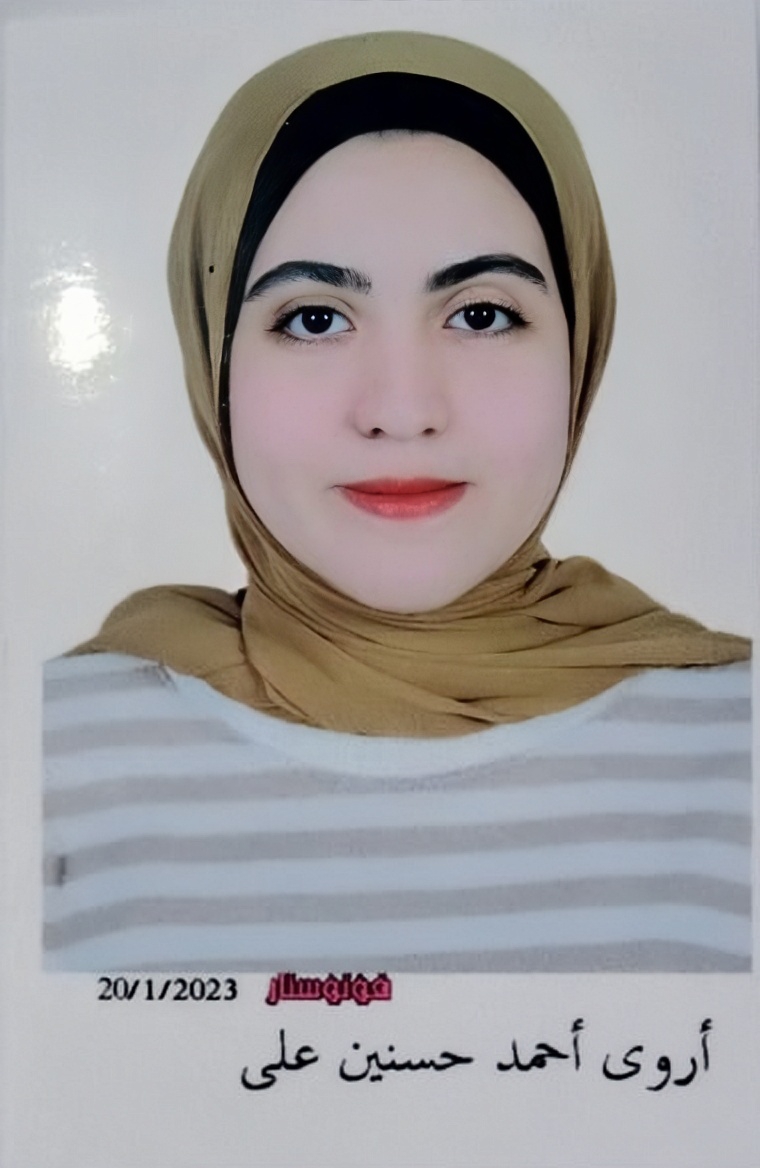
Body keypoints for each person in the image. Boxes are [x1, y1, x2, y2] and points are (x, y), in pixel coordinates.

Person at [43, 30, 751, 973]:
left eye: (482, 314)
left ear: (581, 342)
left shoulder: (733, 754)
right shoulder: (56, 763)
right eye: (314, 319)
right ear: (214, 358)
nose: (404, 410)